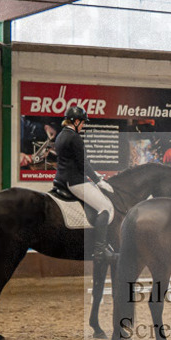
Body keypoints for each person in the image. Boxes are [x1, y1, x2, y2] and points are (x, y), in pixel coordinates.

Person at [53, 106, 116, 263]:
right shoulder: (74, 138)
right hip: (75, 181)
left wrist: (95, 176)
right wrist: (98, 180)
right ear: (75, 121)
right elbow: (83, 164)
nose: (83, 126)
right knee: (105, 208)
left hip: (61, 179)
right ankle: (100, 250)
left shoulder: (61, 135)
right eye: (82, 123)